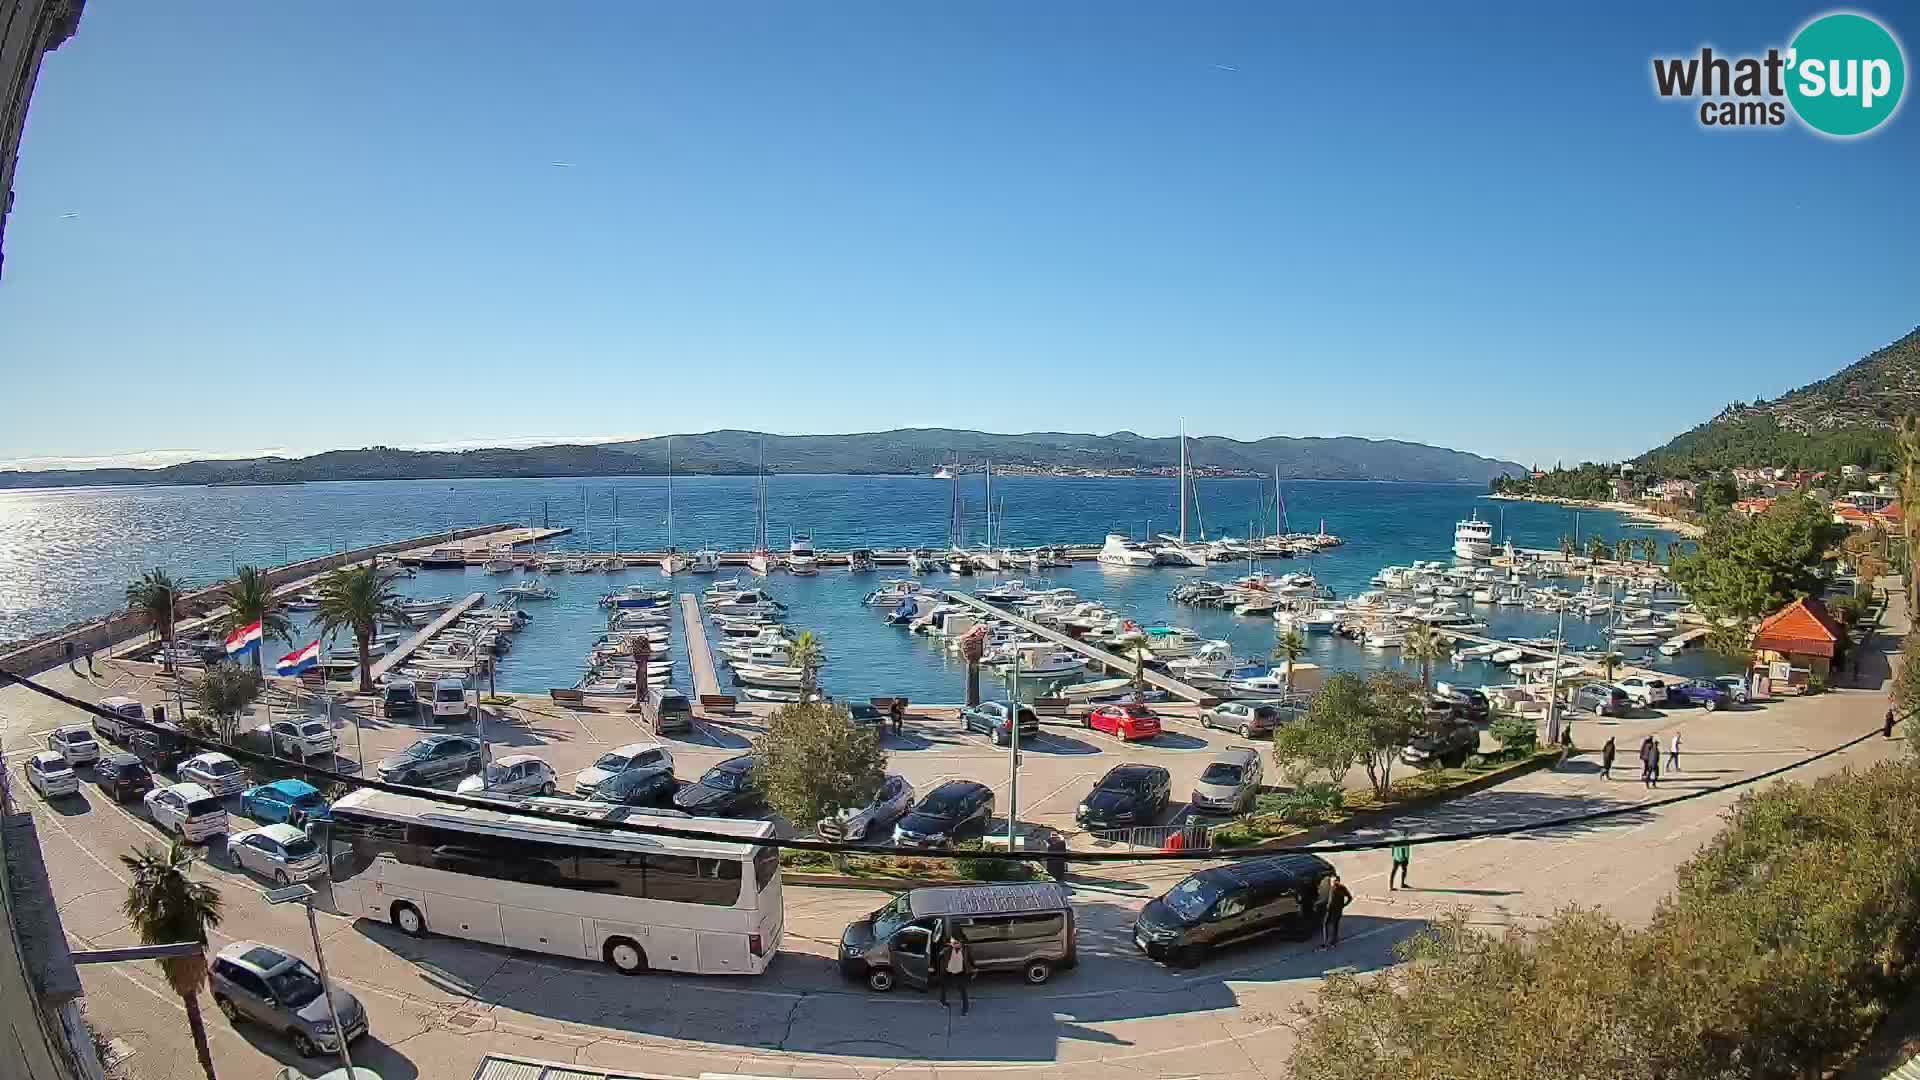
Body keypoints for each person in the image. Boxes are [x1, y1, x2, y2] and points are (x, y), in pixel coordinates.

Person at [938, 927, 971, 1014]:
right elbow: (940, 960)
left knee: (963, 990)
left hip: (959, 972)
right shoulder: (946, 951)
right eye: (953, 942)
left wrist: (974, 968)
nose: (955, 944)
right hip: (948, 971)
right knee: (944, 987)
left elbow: (970, 959)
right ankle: (943, 1002)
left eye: (957, 943)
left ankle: (965, 1009)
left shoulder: (965, 949)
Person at [1321, 873, 1353, 948]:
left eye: (1335, 881)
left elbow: (1350, 898)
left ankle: (1332, 941)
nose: (1334, 882)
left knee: (1333, 924)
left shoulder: (1341, 888)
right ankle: (1328, 941)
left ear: (1338, 881)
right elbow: (1328, 897)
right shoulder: (1331, 888)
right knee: (1328, 924)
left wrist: (1344, 905)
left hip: (1336, 909)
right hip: (1330, 909)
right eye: (1333, 881)